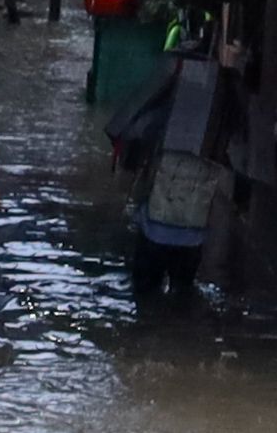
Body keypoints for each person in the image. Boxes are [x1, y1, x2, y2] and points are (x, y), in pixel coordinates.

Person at [108, 20, 252, 318]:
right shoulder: (225, 99)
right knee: (180, 297)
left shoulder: (173, 92)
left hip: (159, 227)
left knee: (146, 295)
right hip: (191, 232)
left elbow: (136, 128)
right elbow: (241, 146)